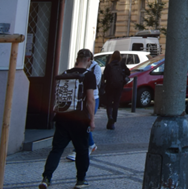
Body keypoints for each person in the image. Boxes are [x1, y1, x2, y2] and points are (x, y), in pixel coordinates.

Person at [40, 49, 96, 189]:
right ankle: (80, 180)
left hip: (62, 117)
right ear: (88, 60)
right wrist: (92, 119)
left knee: (56, 149)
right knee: (82, 150)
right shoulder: (89, 75)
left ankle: (46, 178)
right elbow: (90, 100)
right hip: (79, 118)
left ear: (77, 58)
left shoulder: (65, 73)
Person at [68, 58, 102, 161]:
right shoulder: (78, 67)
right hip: (79, 98)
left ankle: (80, 149)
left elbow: (95, 83)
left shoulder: (96, 68)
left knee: (85, 123)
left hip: (93, 97)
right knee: (82, 124)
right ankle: (88, 146)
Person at [101, 51, 130, 129]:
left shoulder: (109, 65)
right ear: (119, 57)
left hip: (110, 86)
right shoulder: (121, 65)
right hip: (119, 86)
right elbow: (128, 72)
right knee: (116, 104)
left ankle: (110, 117)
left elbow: (105, 76)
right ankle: (113, 121)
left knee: (109, 104)